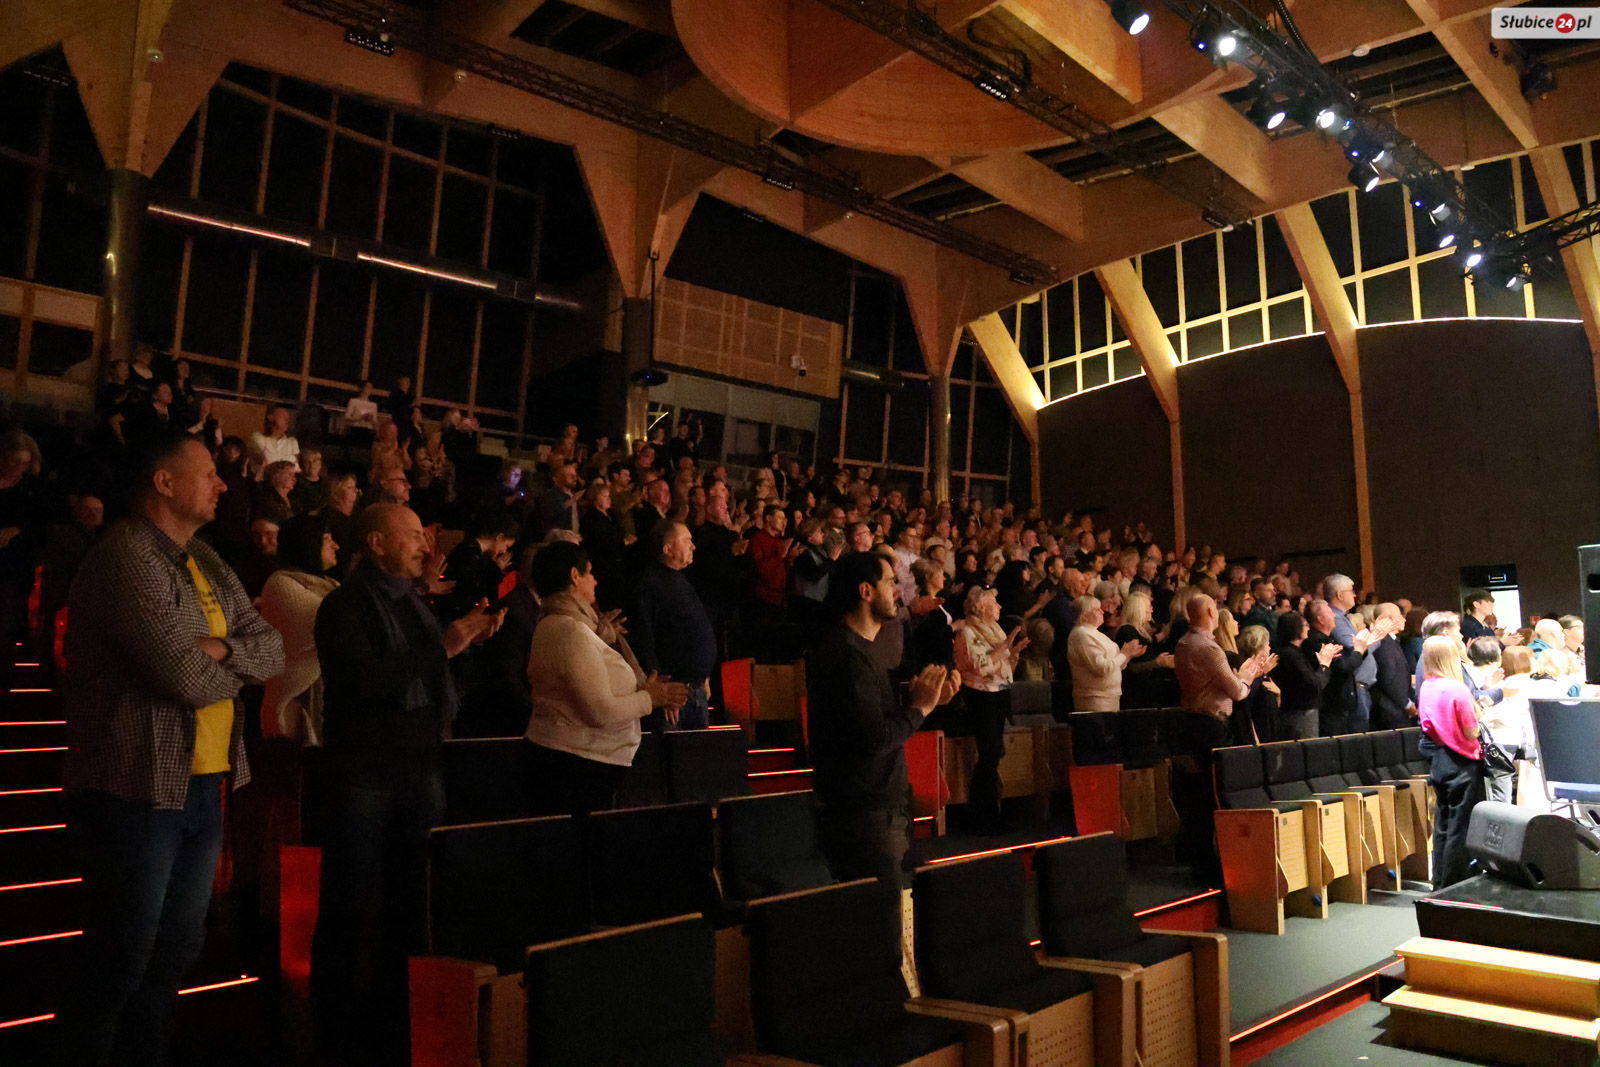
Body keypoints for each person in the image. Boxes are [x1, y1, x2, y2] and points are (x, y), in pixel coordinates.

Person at [58, 431, 284, 1067]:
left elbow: (273, 649)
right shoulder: (125, 555)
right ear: (164, 482)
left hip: (202, 784)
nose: (222, 484)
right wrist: (228, 659)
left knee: (176, 954)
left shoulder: (204, 559)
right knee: (120, 958)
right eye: (209, 473)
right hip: (133, 787)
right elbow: (182, 676)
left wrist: (218, 650)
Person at [310, 503, 503, 1064]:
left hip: (418, 765)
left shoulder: (414, 603)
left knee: (409, 897)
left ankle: (396, 1016)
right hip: (365, 771)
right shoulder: (345, 606)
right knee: (349, 899)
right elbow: (366, 681)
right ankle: (333, 1029)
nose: (425, 546)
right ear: (375, 542)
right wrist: (442, 647)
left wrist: (463, 643)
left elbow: (428, 673)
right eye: (414, 536)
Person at [806, 551, 958, 885]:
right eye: (890, 582)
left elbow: (868, 718)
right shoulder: (847, 657)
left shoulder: (860, 651)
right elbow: (873, 738)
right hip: (864, 817)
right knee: (884, 913)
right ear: (866, 591)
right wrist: (920, 708)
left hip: (878, 811)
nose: (898, 590)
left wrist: (923, 699)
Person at [523, 540, 689, 815]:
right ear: (574, 576)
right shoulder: (569, 631)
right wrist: (650, 698)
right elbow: (600, 711)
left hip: (577, 762)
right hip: (577, 768)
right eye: (589, 572)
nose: (596, 581)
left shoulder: (566, 626)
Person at [246, 513, 340, 920]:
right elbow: (328, 624)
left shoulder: (331, 586)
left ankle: (315, 909)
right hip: (293, 715)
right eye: (327, 538)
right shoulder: (281, 584)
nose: (335, 545)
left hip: (325, 715)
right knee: (291, 820)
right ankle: (284, 913)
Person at [955, 586, 1029, 833]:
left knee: (995, 753)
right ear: (980, 607)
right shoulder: (967, 631)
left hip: (998, 694)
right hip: (981, 697)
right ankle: (981, 817)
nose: (999, 607)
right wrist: (1003, 647)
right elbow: (979, 666)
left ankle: (991, 813)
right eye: (994, 603)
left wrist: (1013, 652)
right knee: (988, 755)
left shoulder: (994, 628)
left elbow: (1002, 665)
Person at [631, 522, 718, 730]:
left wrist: (703, 677)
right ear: (667, 549)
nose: (693, 546)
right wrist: (663, 691)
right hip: (673, 695)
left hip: (694, 689)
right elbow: (644, 637)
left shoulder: (681, 580)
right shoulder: (649, 583)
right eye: (686, 541)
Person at [1417, 634, 1483, 889]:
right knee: (1461, 826)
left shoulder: (1427, 686)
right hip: (1463, 762)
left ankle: (1440, 881)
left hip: (1440, 759)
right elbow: (1471, 731)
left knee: (1443, 823)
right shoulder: (1457, 689)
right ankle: (1457, 883)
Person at [1067, 594, 1144, 712]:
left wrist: (1128, 655)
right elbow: (1101, 668)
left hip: (1109, 697)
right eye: (1096, 609)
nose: (1102, 612)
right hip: (1095, 699)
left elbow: (1116, 666)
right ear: (1084, 615)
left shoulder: (1095, 633)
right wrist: (1124, 654)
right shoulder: (1082, 634)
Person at [579, 481, 628, 611]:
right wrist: (622, 542)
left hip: (618, 561)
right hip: (603, 564)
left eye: (609, 496)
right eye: (605, 496)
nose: (609, 499)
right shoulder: (590, 518)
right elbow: (601, 541)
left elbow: (620, 531)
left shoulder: (612, 514)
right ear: (595, 498)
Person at [1233, 624, 1282, 744]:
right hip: (1258, 736)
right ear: (1260, 648)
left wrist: (1279, 694)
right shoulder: (1247, 673)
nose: (1270, 648)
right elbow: (1248, 704)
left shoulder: (1263, 674)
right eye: (1267, 645)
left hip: (1270, 732)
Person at [1369, 602, 1414, 730]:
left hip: (1396, 707)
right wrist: (1407, 704)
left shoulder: (1392, 641)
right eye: (1400, 616)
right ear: (1389, 619)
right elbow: (1388, 678)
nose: (1404, 619)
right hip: (1389, 710)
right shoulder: (1383, 643)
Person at [248, 404, 300, 480]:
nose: (287, 420)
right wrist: (289, 459)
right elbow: (266, 459)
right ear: (271, 418)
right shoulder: (258, 437)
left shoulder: (292, 442)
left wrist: (272, 460)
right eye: (283, 417)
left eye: (288, 418)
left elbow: (297, 467)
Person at [539, 458, 581, 535]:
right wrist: (571, 501)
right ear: (556, 478)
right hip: (558, 537)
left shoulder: (573, 494)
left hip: (574, 536)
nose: (574, 478)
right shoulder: (550, 494)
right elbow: (550, 513)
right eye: (569, 475)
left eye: (575, 475)